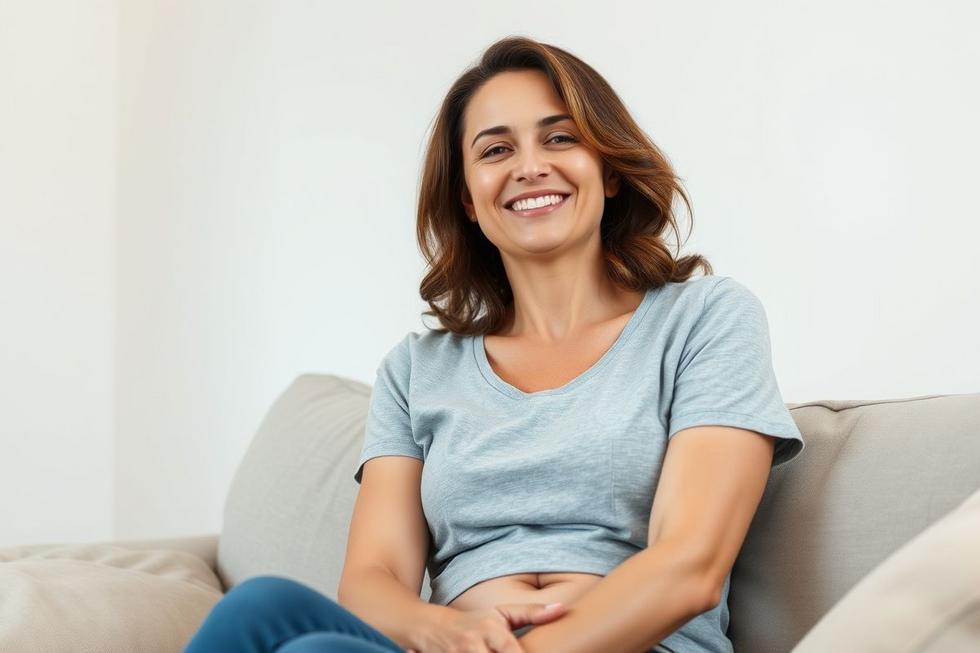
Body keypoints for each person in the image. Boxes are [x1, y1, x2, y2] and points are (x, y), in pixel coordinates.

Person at [183, 34, 805, 653]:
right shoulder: (415, 370)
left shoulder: (704, 320)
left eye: (560, 137)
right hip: (459, 644)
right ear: (470, 199)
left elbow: (688, 568)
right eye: (496, 149)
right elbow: (376, 579)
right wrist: (447, 630)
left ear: (608, 170)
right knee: (260, 609)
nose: (529, 165)